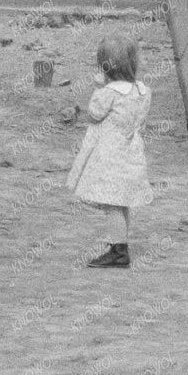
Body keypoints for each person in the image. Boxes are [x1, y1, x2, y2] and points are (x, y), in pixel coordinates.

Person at [66, 35, 153, 269]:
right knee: (122, 201)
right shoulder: (143, 91)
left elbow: (94, 113)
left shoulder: (109, 91)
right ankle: (120, 244)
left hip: (111, 156)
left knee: (111, 204)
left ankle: (118, 250)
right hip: (131, 153)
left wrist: (99, 87)